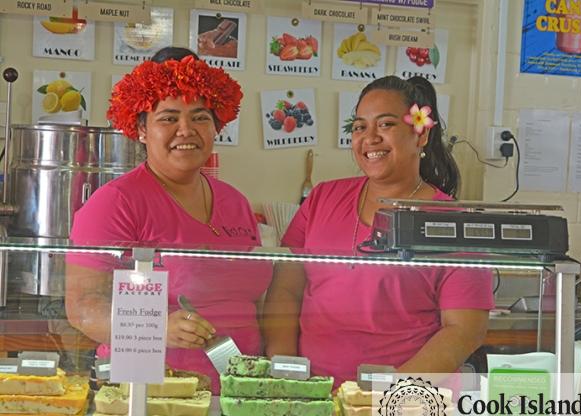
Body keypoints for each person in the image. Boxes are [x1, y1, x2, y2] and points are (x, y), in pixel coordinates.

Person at [263, 75, 493, 387]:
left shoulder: (453, 221)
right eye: (359, 127)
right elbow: (285, 291)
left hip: (407, 404)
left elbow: (465, 329)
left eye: (385, 125)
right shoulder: (321, 199)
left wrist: (389, 395)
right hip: (313, 396)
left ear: (421, 134)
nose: (369, 138)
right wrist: (286, 373)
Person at [65, 47, 271, 393]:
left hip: (238, 387)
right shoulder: (116, 202)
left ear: (216, 125)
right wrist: (156, 328)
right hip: (153, 391)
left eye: (200, 117)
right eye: (168, 117)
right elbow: (83, 306)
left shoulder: (234, 201)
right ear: (142, 129)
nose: (186, 130)